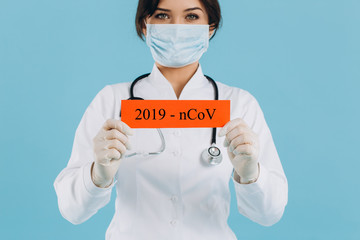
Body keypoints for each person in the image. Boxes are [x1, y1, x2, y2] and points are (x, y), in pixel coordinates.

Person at [54, 0, 288, 239]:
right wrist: (98, 174)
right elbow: (72, 210)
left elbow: (269, 214)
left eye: (192, 17)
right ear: (145, 25)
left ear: (211, 27)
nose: (177, 27)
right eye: (163, 16)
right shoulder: (113, 100)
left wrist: (250, 173)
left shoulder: (239, 104)